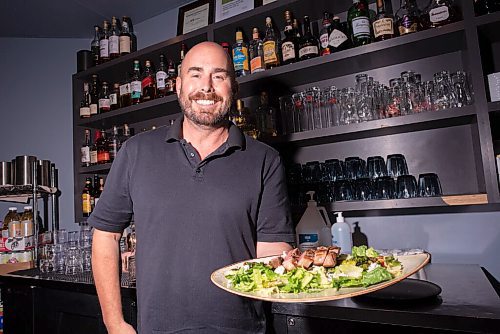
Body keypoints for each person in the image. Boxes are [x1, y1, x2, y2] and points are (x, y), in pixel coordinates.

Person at [89, 41, 295, 334]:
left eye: (219, 75)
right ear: (178, 85)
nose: (206, 87)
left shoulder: (265, 159)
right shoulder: (136, 151)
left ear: (233, 88)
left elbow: (272, 249)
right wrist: (114, 323)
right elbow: (105, 236)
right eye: (196, 74)